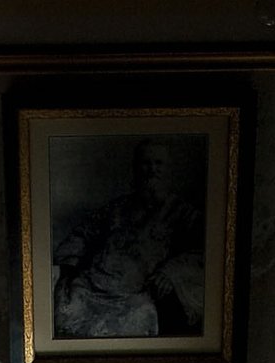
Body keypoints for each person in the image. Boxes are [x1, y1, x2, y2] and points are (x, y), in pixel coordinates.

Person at [51, 139, 206, 339]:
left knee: (138, 321)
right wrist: (65, 263)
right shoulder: (117, 208)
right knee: (64, 314)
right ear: (136, 169)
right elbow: (84, 233)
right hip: (92, 285)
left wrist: (171, 272)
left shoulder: (183, 213)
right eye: (146, 163)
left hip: (135, 294)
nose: (152, 170)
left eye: (158, 164)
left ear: (169, 170)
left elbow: (205, 249)